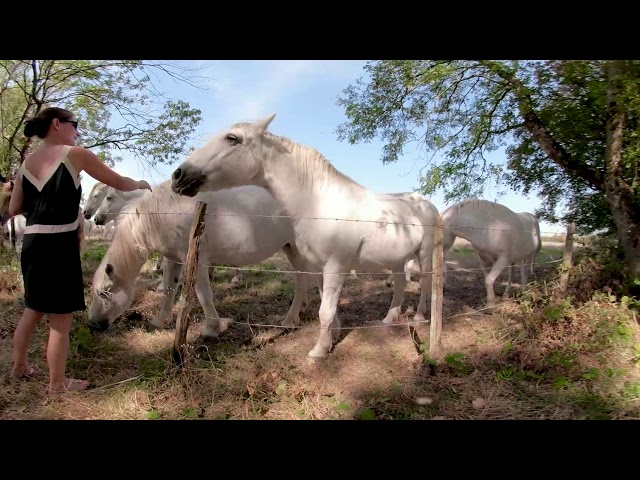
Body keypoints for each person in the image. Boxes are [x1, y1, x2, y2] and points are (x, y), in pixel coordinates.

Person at [8, 106, 152, 394]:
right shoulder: (76, 155)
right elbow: (120, 183)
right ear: (57, 124)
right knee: (60, 320)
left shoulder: (25, 166)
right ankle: (57, 384)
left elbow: (13, 208)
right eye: (75, 125)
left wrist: (41, 204)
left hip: (32, 242)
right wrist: (140, 184)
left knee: (32, 310)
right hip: (59, 243)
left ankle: (19, 367)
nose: (77, 131)